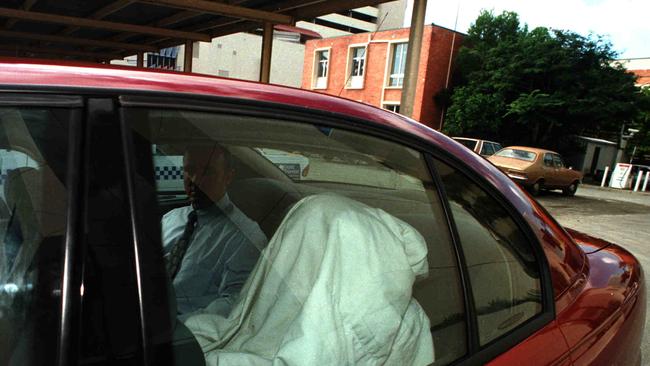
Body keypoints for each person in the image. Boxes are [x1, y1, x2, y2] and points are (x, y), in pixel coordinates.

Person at [161, 143, 267, 318]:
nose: (195, 180)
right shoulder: (171, 218)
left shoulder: (245, 236)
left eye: (207, 172)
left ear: (228, 177)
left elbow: (234, 302)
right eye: (190, 170)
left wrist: (176, 326)